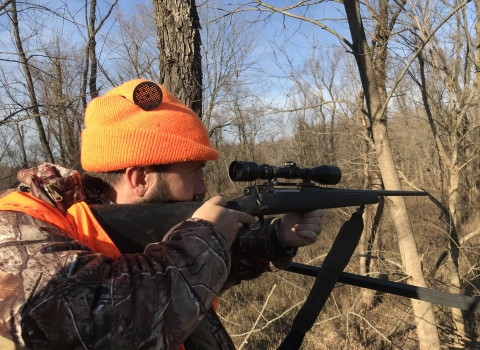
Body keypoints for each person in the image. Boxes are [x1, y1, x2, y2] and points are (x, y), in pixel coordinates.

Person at [0, 79, 323, 350]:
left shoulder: (113, 215)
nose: (202, 187)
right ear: (140, 179)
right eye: (194, 171)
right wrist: (204, 239)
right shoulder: (15, 227)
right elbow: (108, 319)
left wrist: (274, 239)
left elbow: (161, 264)